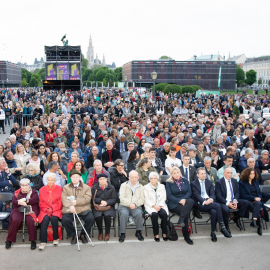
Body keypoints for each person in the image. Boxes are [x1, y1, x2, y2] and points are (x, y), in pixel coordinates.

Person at [191, 168, 232, 241]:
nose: (203, 175)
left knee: (214, 211)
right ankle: (222, 226)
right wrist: (204, 201)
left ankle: (213, 232)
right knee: (217, 205)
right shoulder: (193, 183)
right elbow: (196, 195)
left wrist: (211, 199)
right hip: (200, 203)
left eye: (204, 173)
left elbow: (212, 193)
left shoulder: (209, 182)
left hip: (209, 202)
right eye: (201, 174)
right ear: (198, 175)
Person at [61, 169, 95, 244]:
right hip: (70, 209)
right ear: (70, 178)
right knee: (65, 219)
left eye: (77, 177)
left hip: (84, 208)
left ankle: (83, 234)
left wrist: (76, 202)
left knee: (90, 218)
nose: (75, 179)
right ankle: (74, 235)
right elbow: (64, 198)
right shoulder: (66, 187)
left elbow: (87, 199)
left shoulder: (86, 187)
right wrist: (70, 206)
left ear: (80, 178)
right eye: (73, 177)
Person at [5, 178, 39, 250]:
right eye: (22, 185)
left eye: (26, 185)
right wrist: (20, 202)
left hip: (30, 209)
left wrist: (26, 200)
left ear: (29, 185)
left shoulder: (33, 191)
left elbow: (35, 200)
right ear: (20, 186)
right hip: (18, 209)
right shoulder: (17, 192)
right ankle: (9, 240)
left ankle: (33, 240)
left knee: (31, 220)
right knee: (15, 220)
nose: (24, 187)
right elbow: (14, 202)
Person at [215, 167, 251, 233]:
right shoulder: (219, 182)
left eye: (231, 173)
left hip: (233, 200)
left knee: (245, 202)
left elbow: (237, 192)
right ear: (224, 173)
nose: (230, 174)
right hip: (224, 202)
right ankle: (226, 226)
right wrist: (228, 203)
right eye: (228, 173)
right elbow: (218, 196)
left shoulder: (234, 181)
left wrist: (235, 200)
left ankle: (237, 218)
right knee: (226, 210)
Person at [166, 167, 194, 245]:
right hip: (174, 203)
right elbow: (169, 196)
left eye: (177, 172)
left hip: (185, 201)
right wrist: (179, 201)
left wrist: (184, 199)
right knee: (185, 212)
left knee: (191, 201)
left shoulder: (185, 180)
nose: (176, 174)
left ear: (180, 172)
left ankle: (181, 220)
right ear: (171, 174)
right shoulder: (169, 182)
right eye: (174, 173)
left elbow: (189, 192)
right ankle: (186, 235)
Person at [239, 167, 270, 236]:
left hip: (256, 201)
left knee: (259, 203)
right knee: (258, 206)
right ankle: (258, 226)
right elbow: (243, 195)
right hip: (248, 200)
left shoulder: (255, 181)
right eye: (251, 174)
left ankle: (255, 221)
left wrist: (258, 197)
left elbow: (259, 192)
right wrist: (254, 198)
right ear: (247, 174)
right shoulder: (242, 183)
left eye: (254, 173)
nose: (253, 175)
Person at [117, 170, 145, 243]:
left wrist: (135, 204)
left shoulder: (141, 187)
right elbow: (121, 198)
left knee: (139, 213)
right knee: (124, 214)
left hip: (136, 206)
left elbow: (142, 199)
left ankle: (138, 232)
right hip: (124, 206)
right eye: (132, 177)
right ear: (129, 178)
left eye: (135, 177)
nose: (134, 179)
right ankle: (122, 233)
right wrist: (130, 204)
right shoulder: (123, 185)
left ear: (138, 178)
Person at [38, 173, 63, 250]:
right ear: (46, 180)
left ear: (54, 180)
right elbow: (41, 202)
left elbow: (60, 201)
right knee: (44, 219)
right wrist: (47, 209)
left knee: (54, 218)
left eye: (51, 180)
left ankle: (55, 237)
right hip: (45, 209)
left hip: (56, 209)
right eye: (48, 180)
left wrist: (52, 208)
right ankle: (43, 240)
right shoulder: (41, 189)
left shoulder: (59, 188)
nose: (50, 181)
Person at [91, 173, 117, 241]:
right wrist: (100, 201)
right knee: (98, 216)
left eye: (104, 179)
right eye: (100, 179)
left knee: (107, 216)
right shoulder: (94, 187)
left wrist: (107, 202)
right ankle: (100, 232)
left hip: (109, 206)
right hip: (98, 206)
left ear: (106, 179)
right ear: (98, 180)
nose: (102, 180)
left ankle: (107, 233)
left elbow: (114, 199)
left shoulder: (111, 187)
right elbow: (92, 198)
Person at [144, 172, 168, 241]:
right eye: (151, 178)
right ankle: (156, 233)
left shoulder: (162, 186)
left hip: (160, 205)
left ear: (157, 179)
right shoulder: (146, 187)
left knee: (164, 214)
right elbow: (146, 199)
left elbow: (164, 197)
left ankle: (164, 232)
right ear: (149, 179)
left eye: (155, 178)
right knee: (154, 215)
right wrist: (154, 206)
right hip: (151, 206)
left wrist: (159, 206)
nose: (153, 180)